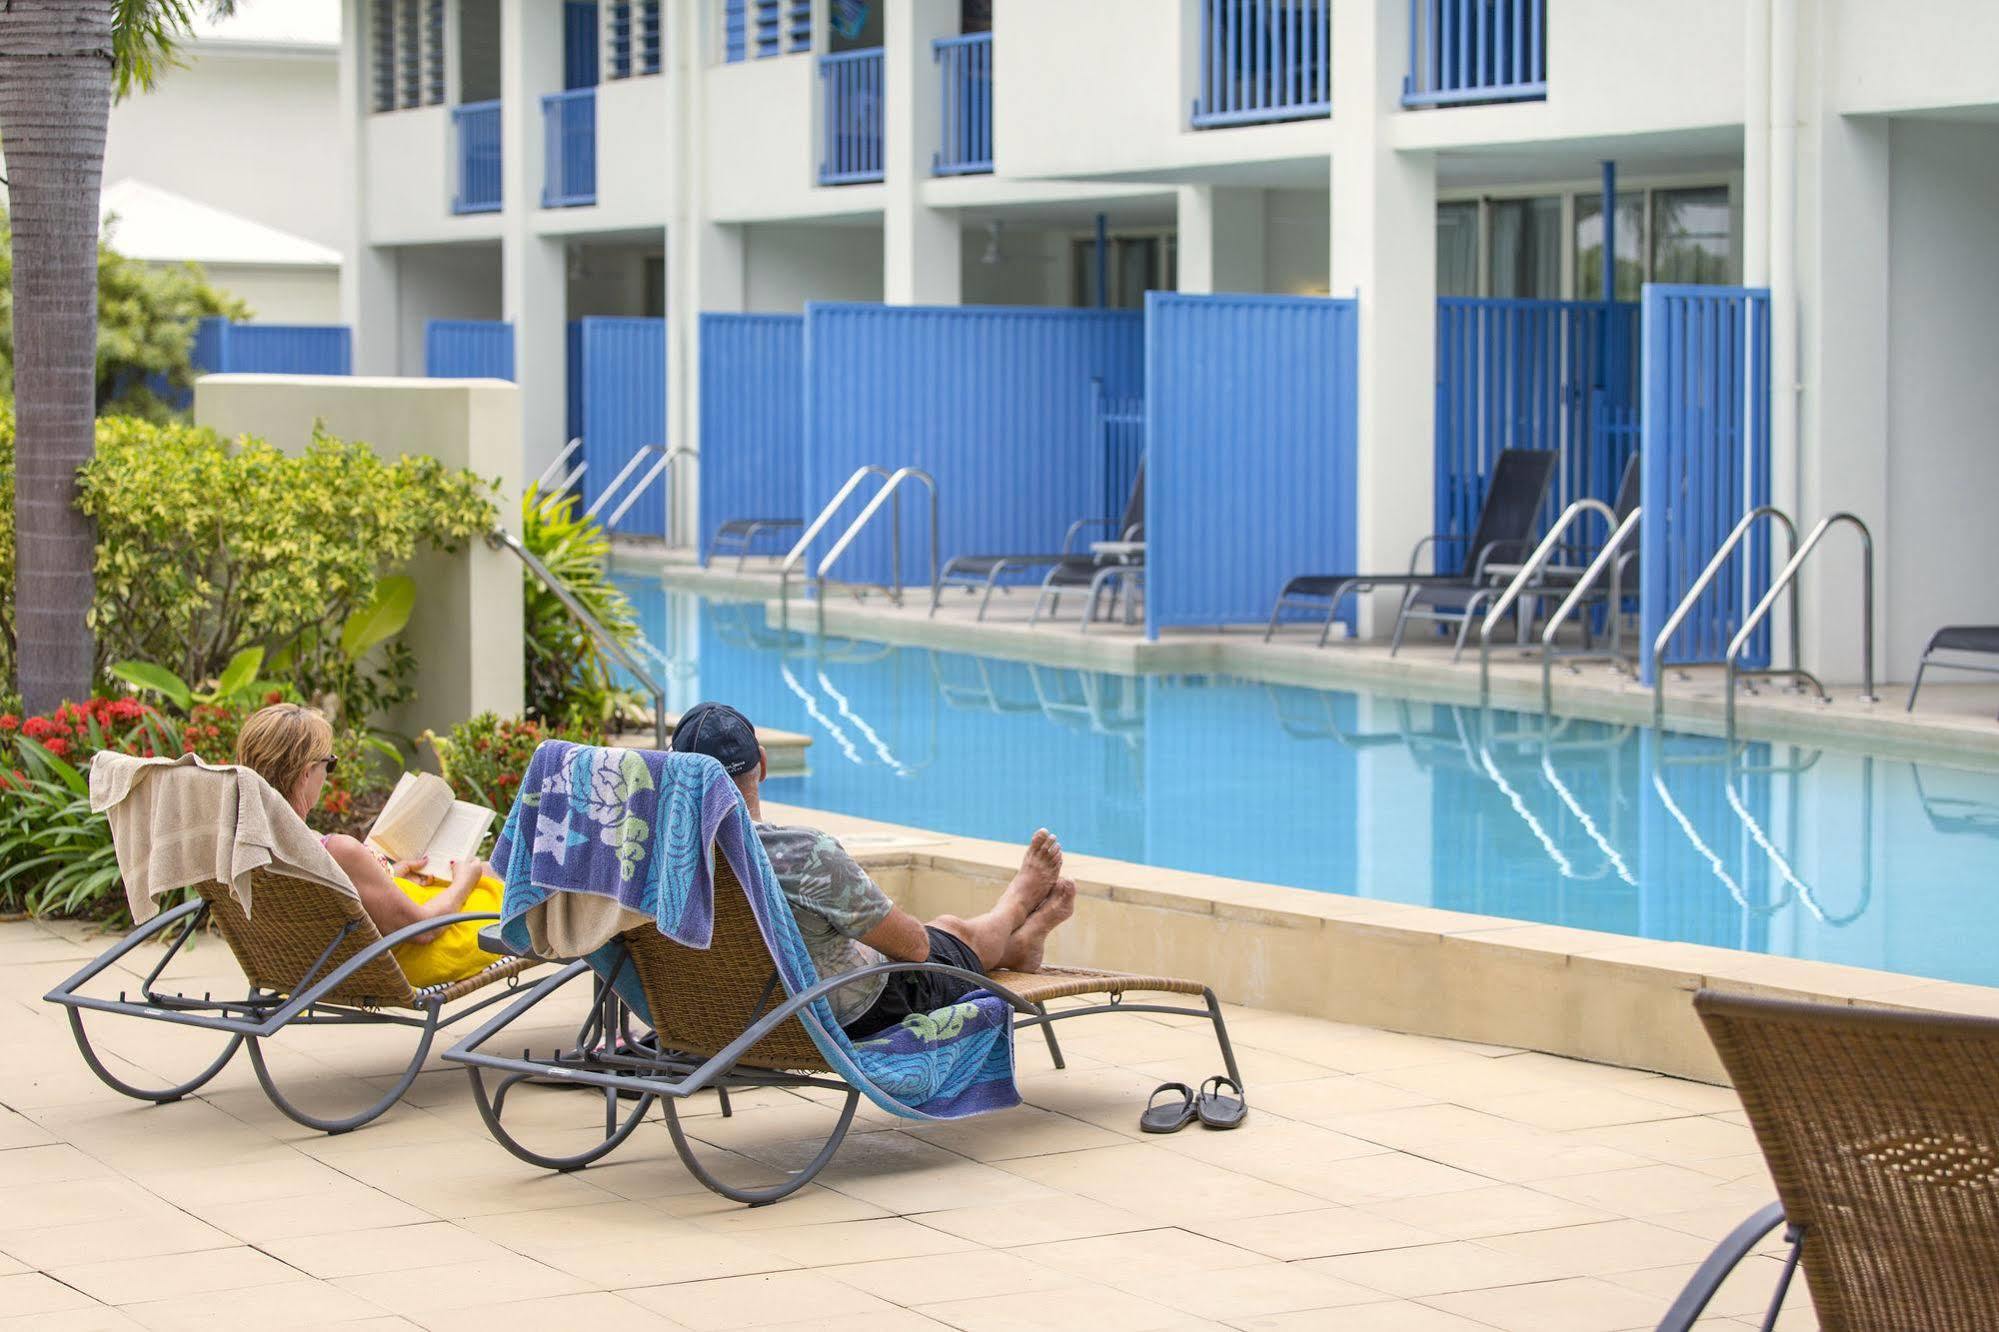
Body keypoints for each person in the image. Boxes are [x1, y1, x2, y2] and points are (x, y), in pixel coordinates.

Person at [670, 701, 1076, 1038]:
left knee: (934, 933)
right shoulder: (802, 854)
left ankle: (1015, 947)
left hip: (726, 1017)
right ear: (762, 764)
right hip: (842, 1014)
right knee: (945, 933)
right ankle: (1017, 905)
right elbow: (914, 948)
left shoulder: (652, 864)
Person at [233, 703, 504, 988]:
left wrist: (389, 875)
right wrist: (462, 883)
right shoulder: (339, 851)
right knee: (491, 878)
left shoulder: (249, 845)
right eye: (330, 764)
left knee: (486, 870)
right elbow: (423, 930)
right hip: (406, 957)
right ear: (305, 774)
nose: (328, 776)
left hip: (311, 966)